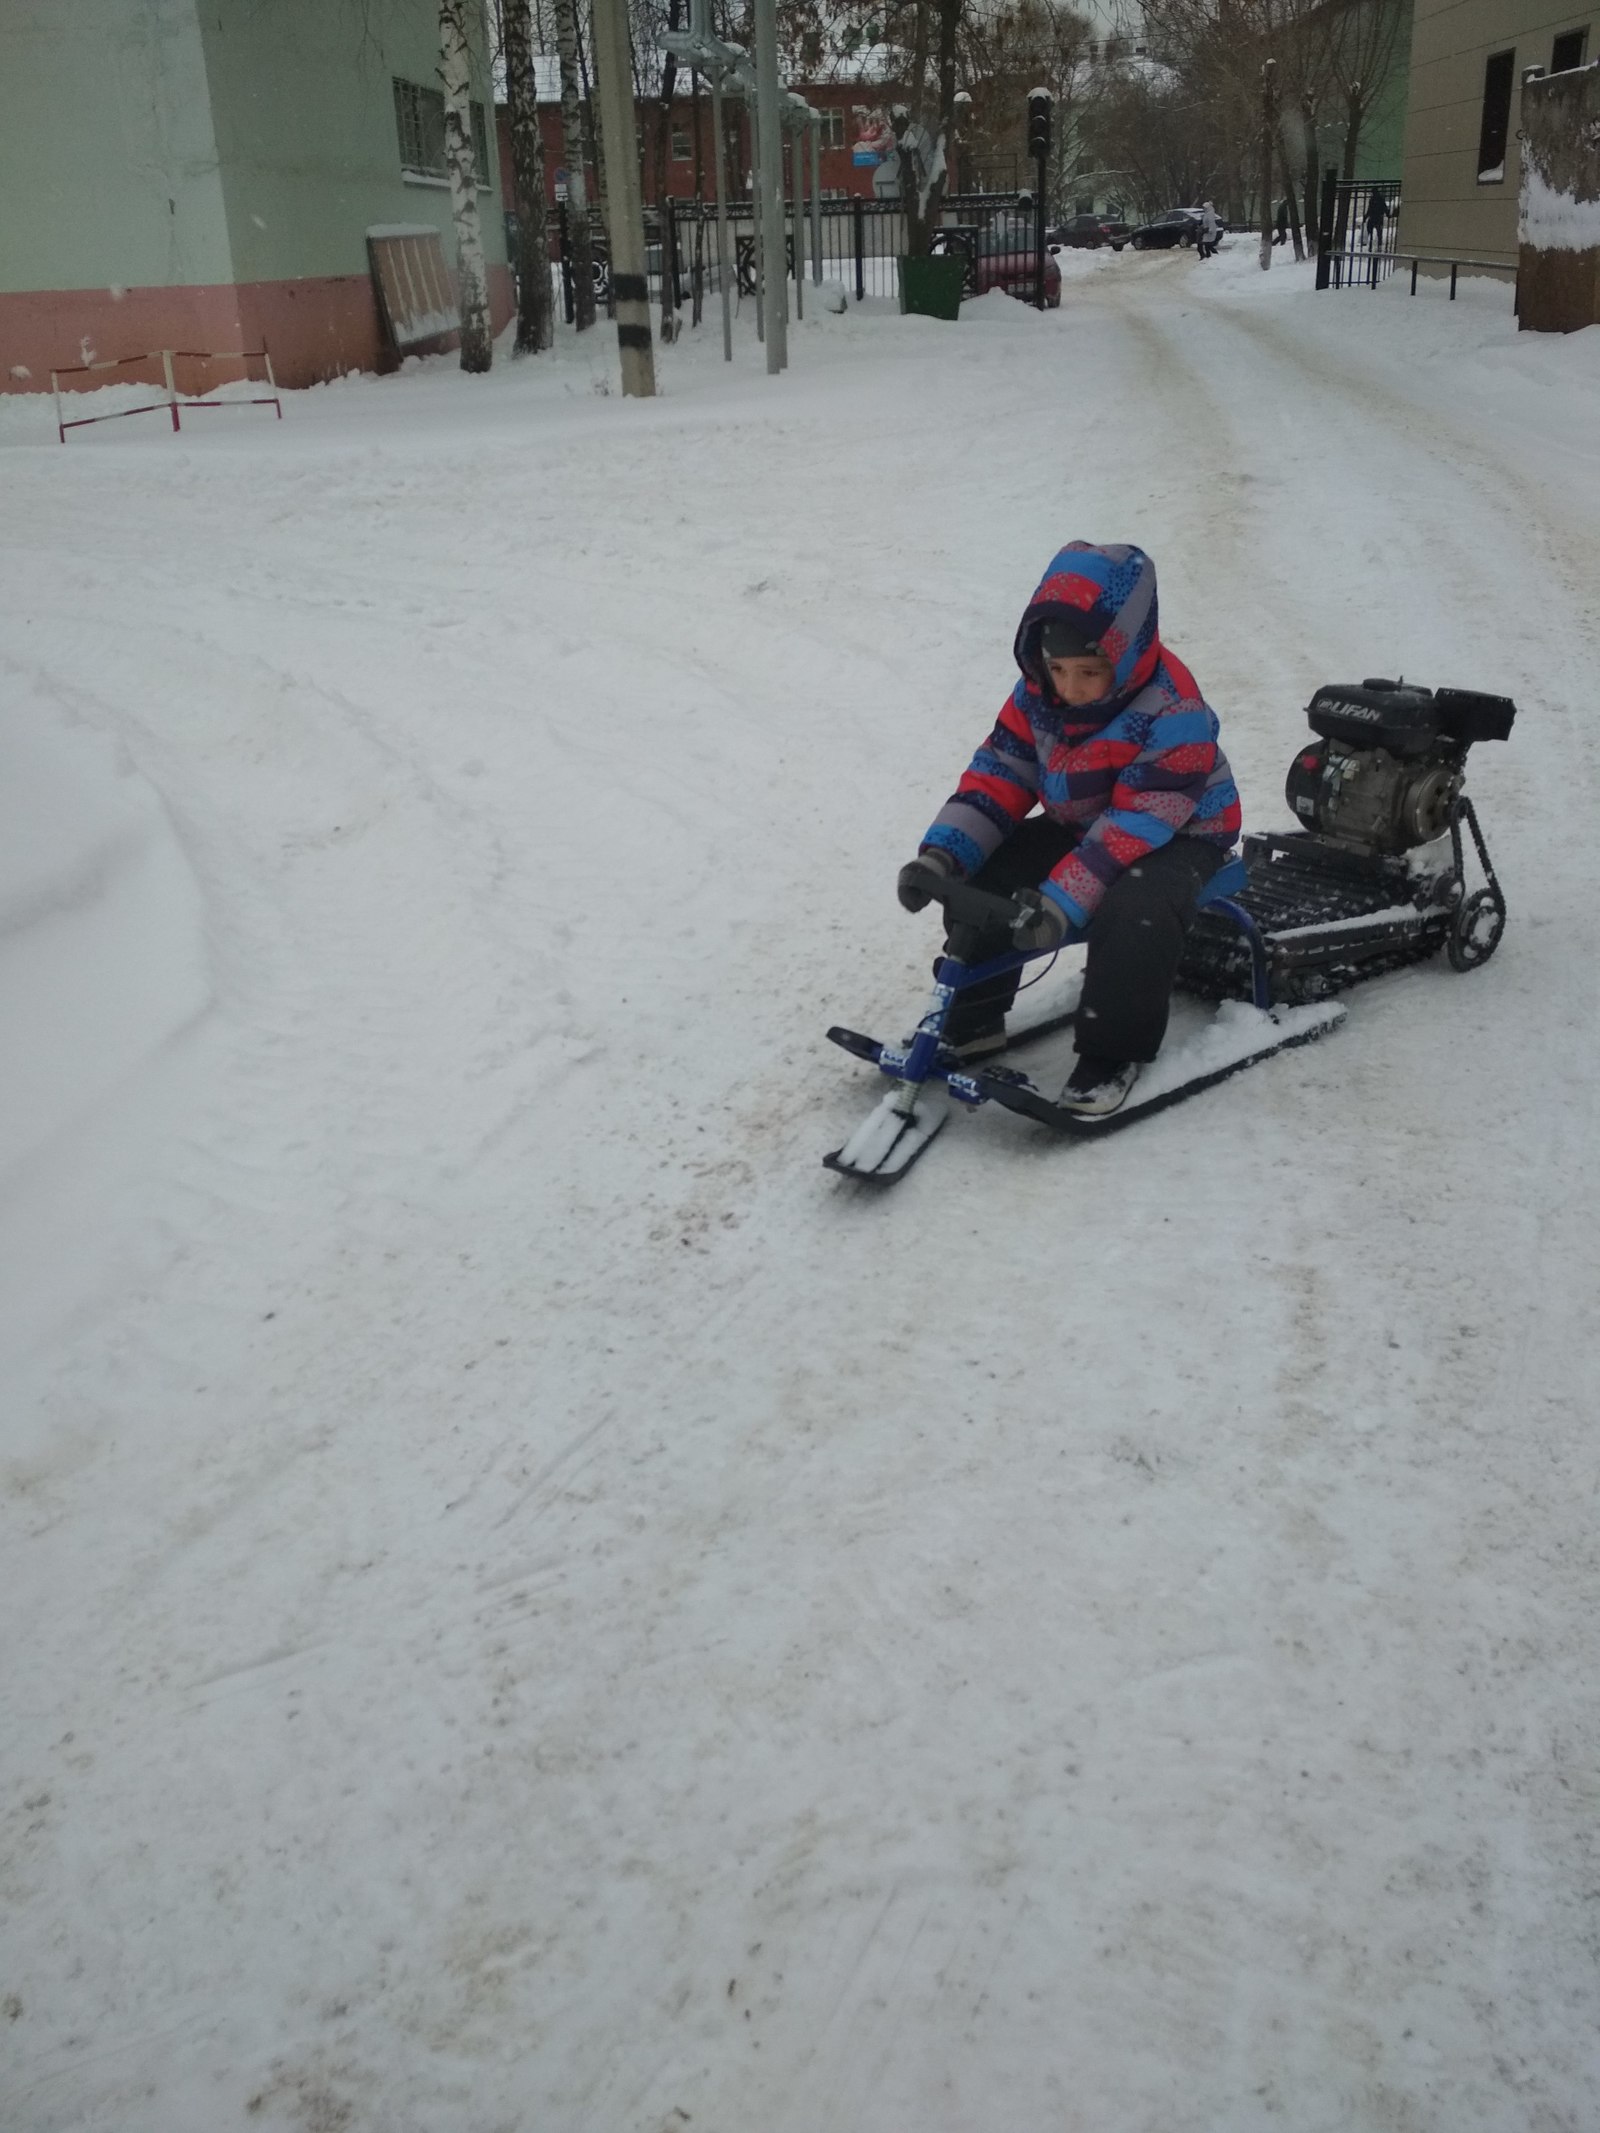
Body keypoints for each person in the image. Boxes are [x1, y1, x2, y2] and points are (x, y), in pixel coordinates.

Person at [896, 542, 1242, 1116]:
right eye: (1059, 671)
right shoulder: (1037, 696)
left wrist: (1059, 903)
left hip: (1177, 834)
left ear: (1126, 655)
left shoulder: (1172, 709)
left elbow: (1135, 825)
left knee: (1134, 909)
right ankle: (974, 1018)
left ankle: (1111, 1055)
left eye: (1089, 672)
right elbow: (1000, 773)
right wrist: (943, 857)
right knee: (991, 872)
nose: (1071, 688)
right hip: (1084, 822)